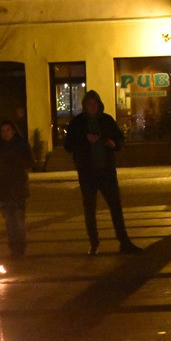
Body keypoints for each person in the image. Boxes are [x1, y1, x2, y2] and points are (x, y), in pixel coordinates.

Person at [64, 90, 142, 255]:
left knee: (115, 206)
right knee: (90, 209)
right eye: (89, 104)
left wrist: (114, 143)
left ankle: (124, 241)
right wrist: (85, 140)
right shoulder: (77, 123)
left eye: (95, 104)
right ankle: (94, 243)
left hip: (106, 170)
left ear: (99, 105)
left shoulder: (106, 120)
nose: (92, 107)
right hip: (87, 172)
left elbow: (119, 138)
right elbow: (68, 145)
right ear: (85, 105)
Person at [0, 120, 33, 259]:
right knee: (9, 222)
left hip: (17, 186)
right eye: (3, 131)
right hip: (4, 187)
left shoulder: (21, 145)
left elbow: (28, 162)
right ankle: (14, 249)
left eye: (8, 130)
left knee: (19, 221)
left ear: (13, 130)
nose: (5, 133)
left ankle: (20, 249)